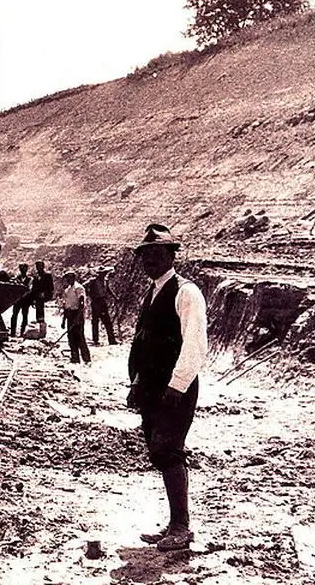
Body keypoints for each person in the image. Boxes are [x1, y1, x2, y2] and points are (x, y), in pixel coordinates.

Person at [126, 224, 208, 552]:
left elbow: (195, 343)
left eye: (156, 255)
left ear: (171, 255)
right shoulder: (153, 291)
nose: (149, 261)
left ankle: (181, 528)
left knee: (168, 450)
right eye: (144, 256)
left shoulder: (186, 292)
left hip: (175, 387)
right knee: (158, 452)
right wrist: (136, 384)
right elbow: (144, 342)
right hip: (151, 388)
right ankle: (175, 523)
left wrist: (177, 386)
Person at [59, 271, 91, 364]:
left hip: (77, 313)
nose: (68, 279)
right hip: (70, 314)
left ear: (73, 277)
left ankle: (86, 359)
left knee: (79, 337)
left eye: (69, 277)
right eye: (67, 277)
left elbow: (81, 304)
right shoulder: (67, 289)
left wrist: (78, 317)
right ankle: (75, 358)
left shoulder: (79, 288)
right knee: (71, 337)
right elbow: (66, 306)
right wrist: (64, 321)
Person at [87, 266, 117, 345]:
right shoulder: (93, 280)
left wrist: (115, 297)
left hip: (103, 301)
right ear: (99, 273)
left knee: (107, 321)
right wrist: (89, 294)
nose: (103, 274)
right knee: (95, 321)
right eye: (102, 273)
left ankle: (111, 340)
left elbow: (108, 290)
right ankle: (95, 339)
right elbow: (84, 286)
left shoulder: (105, 280)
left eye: (104, 273)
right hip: (95, 301)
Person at [9, 263, 32, 337]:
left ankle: (22, 332)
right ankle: (13, 332)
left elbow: (29, 289)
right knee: (14, 315)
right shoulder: (17, 278)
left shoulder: (29, 279)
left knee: (24, 316)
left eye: (25, 269)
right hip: (17, 300)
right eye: (22, 269)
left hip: (25, 300)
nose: (23, 270)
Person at [30, 260, 54, 326]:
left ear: (43, 266)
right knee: (38, 308)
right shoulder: (35, 276)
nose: (38, 267)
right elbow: (34, 288)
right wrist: (32, 298)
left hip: (44, 294)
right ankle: (39, 321)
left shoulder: (47, 275)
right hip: (37, 295)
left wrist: (46, 293)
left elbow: (51, 287)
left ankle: (41, 322)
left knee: (41, 307)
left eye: (40, 266)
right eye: (37, 266)